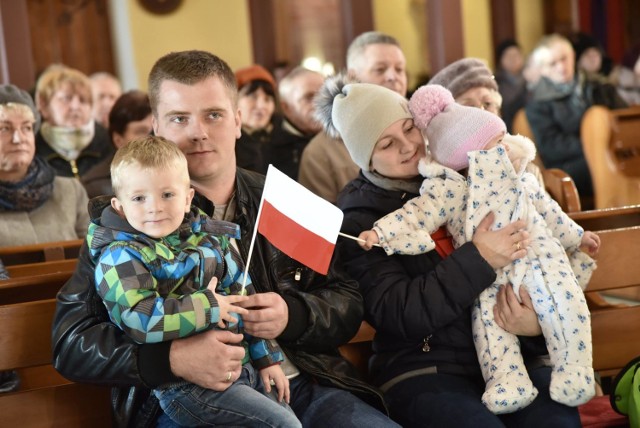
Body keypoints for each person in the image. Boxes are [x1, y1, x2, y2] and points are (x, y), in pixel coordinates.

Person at [52, 50, 397, 427]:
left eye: (213, 115)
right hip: (189, 398)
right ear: (157, 127)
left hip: (304, 384)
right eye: (179, 118)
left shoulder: (282, 197)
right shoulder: (126, 220)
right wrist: (170, 359)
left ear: (237, 120)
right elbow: (71, 345)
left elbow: (346, 298)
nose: (198, 132)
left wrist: (292, 315)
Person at [315, 74, 584, 427]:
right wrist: (479, 258)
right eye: (386, 144)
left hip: (516, 353)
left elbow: (539, 261)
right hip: (425, 368)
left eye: (410, 129)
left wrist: (535, 324)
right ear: (366, 161)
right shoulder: (363, 221)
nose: (407, 146)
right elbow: (399, 310)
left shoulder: (475, 170)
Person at [90, 135, 300, 427]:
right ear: (120, 206)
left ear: (188, 197)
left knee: (290, 420)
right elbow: (139, 318)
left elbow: (243, 297)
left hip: (242, 368)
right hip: (184, 387)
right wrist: (209, 306)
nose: (155, 208)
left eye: (167, 195)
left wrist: (267, 358)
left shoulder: (211, 240)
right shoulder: (119, 255)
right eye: (139, 198)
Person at [299, 31, 407, 203]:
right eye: (380, 69)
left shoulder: (422, 128)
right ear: (354, 75)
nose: (393, 77)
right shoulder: (320, 153)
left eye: (399, 69)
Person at [525, 33, 627, 200]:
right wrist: (596, 145)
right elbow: (552, 146)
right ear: (542, 69)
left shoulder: (600, 86)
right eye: (553, 63)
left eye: (564, 59)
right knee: (606, 163)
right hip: (569, 165)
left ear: (573, 56)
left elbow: (623, 118)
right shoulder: (537, 103)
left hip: (613, 149)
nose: (561, 67)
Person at [428, 57, 546, 188]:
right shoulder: (440, 181)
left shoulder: (523, 165)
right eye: (469, 108)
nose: (482, 112)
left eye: (488, 103)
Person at [0, 83, 89, 246]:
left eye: (26, 128)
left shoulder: (70, 191)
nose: (18, 139)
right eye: (4, 128)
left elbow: (96, 256)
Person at [34, 65, 114, 180]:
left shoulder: (109, 144)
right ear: (44, 104)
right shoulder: (34, 150)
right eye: (66, 98)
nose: (75, 107)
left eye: (83, 100)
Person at [81, 90, 153, 198]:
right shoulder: (93, 186)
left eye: (155, 130)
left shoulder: (175, 170)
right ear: (118, 140)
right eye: (141, 131)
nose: (152, 138)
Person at [267, 66, 324, 180]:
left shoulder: (342, 138)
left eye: (324, 94)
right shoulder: (268, 152)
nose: (321, 104)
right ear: (287, 108)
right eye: (309, 97)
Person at [234, 64, 278, 174]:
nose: (261, 106)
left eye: (267, 99)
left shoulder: (284, 139)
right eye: (252, 96)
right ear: (233, 100)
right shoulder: (227, 143)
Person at [494, 39, 528, 133]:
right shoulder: (496, 84)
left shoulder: (530, 78)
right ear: (500, 60)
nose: (513, 59)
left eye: (516, 55)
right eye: (509, 56)